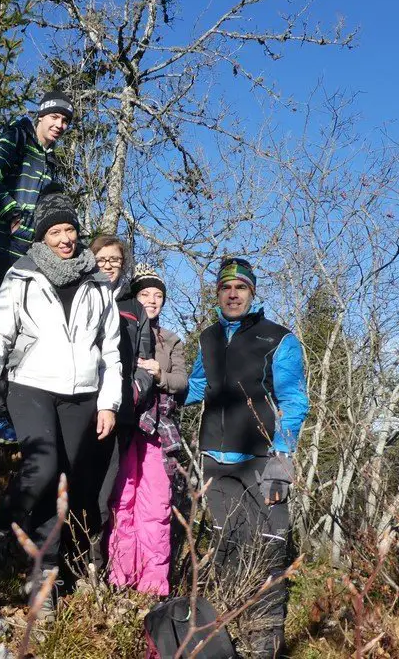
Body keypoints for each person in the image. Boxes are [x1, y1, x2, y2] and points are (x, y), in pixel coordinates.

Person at [0, 191, 122, 622]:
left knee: (61, 483)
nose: (65, 238)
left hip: (82, 392)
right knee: (40, 470)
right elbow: (1, 329)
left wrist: (108, 403)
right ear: (42, 236)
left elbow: (111, 349)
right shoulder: (21, 275)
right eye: (55, 231)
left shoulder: (98, 281)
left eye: (70, 229)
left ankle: (43, 588)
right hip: (31, 384)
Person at [184, 257, 309, 658]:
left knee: (269, 551)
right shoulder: (208, 338)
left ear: (252, 293)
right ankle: (228, 640)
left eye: (241, 287)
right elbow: (197, 387)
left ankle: (265, 645)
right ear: (218, 293)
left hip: (261, 460)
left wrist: (282, 458)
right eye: (226, 287)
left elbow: (294, 401)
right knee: (226, 550)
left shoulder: (277, 338)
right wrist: (151, 394)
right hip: (215, 461)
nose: (233, 293)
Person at [107, 263, 190, 596]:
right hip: (126, 424)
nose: (152, 300)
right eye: (146, 294)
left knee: (155, 504)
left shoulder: (171, 340)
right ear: (135, 296)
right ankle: (120, 575)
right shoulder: (118, 324)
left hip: (158, 429)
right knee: (122, 500)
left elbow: (181, 382)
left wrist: (158, 375)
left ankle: (153, 584)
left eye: (158, 295)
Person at [76, 235, 155, 575]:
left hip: (119, 414)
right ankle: (63, 566)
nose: (108, 266)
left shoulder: (135, 309)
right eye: (102, 259)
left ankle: (91, 569)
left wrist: (134, 392)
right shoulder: (78, 296)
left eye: (115, 260)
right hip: (76, 407)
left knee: (104, 493)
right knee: (72, 485)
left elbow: (146, 362)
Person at [0, 90, 73, 303]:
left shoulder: (50, 160)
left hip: (29, 254)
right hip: (0, 244)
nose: (59, 125)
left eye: (65, 121)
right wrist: (10, 210)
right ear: (41, 116)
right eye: (54, 117)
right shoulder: (17, 137)